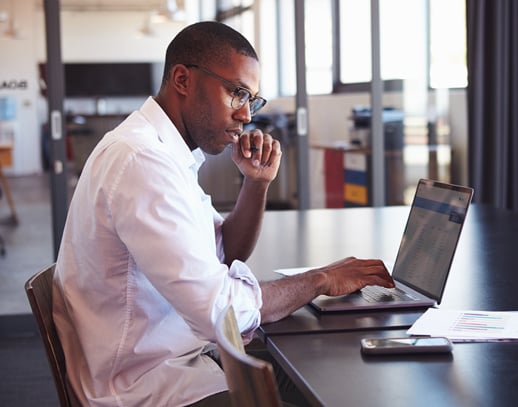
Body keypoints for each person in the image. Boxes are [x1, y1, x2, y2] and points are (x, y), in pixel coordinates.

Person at [53, 21, 394, 406]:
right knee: (337, 382)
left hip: (175, 360)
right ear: (183, 79)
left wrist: (256, 183)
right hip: (148, 387)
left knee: (325, 368)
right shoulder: (142, 160)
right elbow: (219, 312)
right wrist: (321, 279)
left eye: (253, 100)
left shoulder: (165, 153)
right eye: (237, 93)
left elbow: (225, 250)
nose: (247, 115)